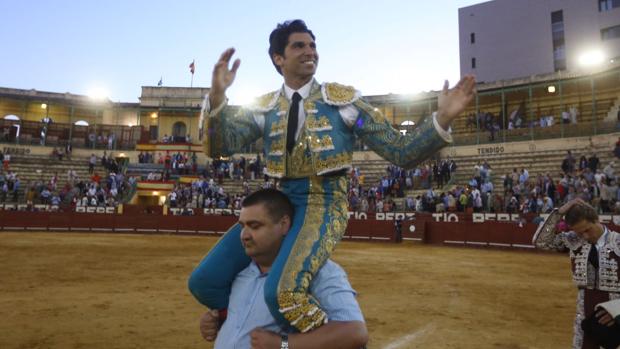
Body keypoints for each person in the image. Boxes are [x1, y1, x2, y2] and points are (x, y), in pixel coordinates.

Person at [190, 19, 475, 333]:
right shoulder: (266, 108)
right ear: (278, 58)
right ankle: (245, 319)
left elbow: (401, 152)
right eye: (299, 45)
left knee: (284, 294)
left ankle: (327, 340)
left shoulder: (344, 104)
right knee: (204, 282)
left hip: (324, 204)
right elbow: (220, 148)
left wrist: (442, 117)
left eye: (313, 45)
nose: (310, 51)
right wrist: (217, 97)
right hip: (277, 206)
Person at [195, 189, 367, 349]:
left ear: (284, 224)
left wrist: (283, 344)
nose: (244, 235)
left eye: (255, 226)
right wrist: (220, 320)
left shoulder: (320, 271)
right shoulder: (240, 272)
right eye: (242, 226)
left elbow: (354, 332)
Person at [532, 198, 620, 348]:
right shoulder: (574, 240)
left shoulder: (618, 241)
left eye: (587, 230)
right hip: (585, 314)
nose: (585, 236)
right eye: (579, 232)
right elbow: (541, 241)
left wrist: (618, 311)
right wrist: (558, 213)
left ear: (596, 219)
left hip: (615, 313)